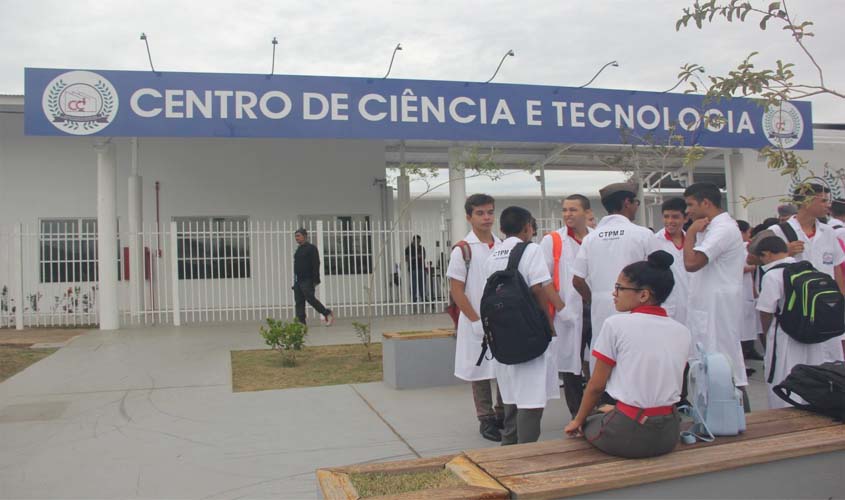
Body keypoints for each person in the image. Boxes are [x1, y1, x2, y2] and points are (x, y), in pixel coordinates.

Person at [564, 251, 691, 459]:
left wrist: (577, 421)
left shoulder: (615, 325)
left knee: (589, 421)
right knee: (609, 410)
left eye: (619, 288)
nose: (614, 294)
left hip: (630, 435)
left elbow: (596, 386)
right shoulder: (682, 331)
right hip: (669, 432)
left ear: (643, 295)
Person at [484, 206, 562, 445]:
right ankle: (527, 455)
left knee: (511, 397)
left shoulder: (493, 253)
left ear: (501, 229)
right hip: (528, 333)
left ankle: (509, 448)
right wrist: (548, 323)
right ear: (528, 227)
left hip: (502, 334)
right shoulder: (531, 249)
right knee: (531, 399)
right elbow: (538, 287)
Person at [572, 182, 652, 373]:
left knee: (604, 363)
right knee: (633, 364)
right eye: (636, 203)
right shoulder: (643, 235)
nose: (635, 207)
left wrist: (596, 299)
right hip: (635, 311)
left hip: (601, 311)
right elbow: (658, 274)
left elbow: (577, 280)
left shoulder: (591, 238)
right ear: (627, 202)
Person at [683, 182, 749, 411]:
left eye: (690, 205)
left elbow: (692, 263)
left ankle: (738, 417)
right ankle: (718, 420)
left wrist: (690, 232)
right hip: (708, 307)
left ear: (706, 203)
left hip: (717, 309)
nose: (687, 211)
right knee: (711, 367)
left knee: (725, 366)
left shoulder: (723, 229)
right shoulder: (711, 228)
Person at [446, 194, 504, 442]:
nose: (486, 218)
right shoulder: (463, 250)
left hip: (502, 319)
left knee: (505, 368)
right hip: (476, 321)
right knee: (479, 370)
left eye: (490, 212)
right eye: (480, 213)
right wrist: (475, 320)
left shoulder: (502, 246)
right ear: (469, 217)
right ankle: (486, 418)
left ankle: (504, 413)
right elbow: (456, 289)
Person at [766, 183, 845, 363]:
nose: (828, 205)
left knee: (829, 363)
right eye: (823, 201)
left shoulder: (829, 232)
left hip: (825, 309)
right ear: (806, 201)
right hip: (796, 310)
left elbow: (837, 269)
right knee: (797, 363)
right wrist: (785, 251)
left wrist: (841, 303)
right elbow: (755, 259)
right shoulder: (779, 231)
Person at [751, 233, 828, 409]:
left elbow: (766, 310)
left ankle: (784, 411)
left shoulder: (772, 275)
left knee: (782, 373)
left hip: (784, 333)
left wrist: (766, 333)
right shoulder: (808, 268)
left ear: (767, 254)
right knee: (811, 372)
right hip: (811, 332)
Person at [540, 194, 593, 418]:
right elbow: (543, 279)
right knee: (571, 364)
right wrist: (562, 309)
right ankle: (578, 413)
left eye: (573, 210)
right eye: (565, 210)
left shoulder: (596, 237)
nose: (567, 214)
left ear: (587, 213)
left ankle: (600, 408)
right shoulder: (553, 240)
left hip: (594, 308)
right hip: (568, 312)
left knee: (601, 360)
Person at [649, 197, 690, 325]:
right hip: (668, 306)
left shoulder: (694, 241)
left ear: (686, 218)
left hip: (692, 306)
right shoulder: (654, 241)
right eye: (666, 217)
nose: (670, 221)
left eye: (675, 217)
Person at [292, 228, 334, 326]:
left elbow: (316, 264)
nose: (296, 238)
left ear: (304, 236)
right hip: (298, 280)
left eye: (298, 236)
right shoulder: (298, 250)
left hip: (308, 279)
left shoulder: (311, 248)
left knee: (310, 298)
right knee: (299, 301)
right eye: (295, 236)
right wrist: (295, 281)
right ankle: (301, 322)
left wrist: (315, 279)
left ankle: (327, 313)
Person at [404, 235, 427, 302]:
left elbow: (424, 257)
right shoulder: (408, 248)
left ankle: (423, 298)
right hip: (413, 268)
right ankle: (413, 299)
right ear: (413, 240)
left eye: (419, 241)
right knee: (414, 284)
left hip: (421, 268)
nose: (418, 242)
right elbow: (406, 259)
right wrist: (416, 257)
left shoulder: (421, 248)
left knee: (422, 284)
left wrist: (420, 256)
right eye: (417, 241)